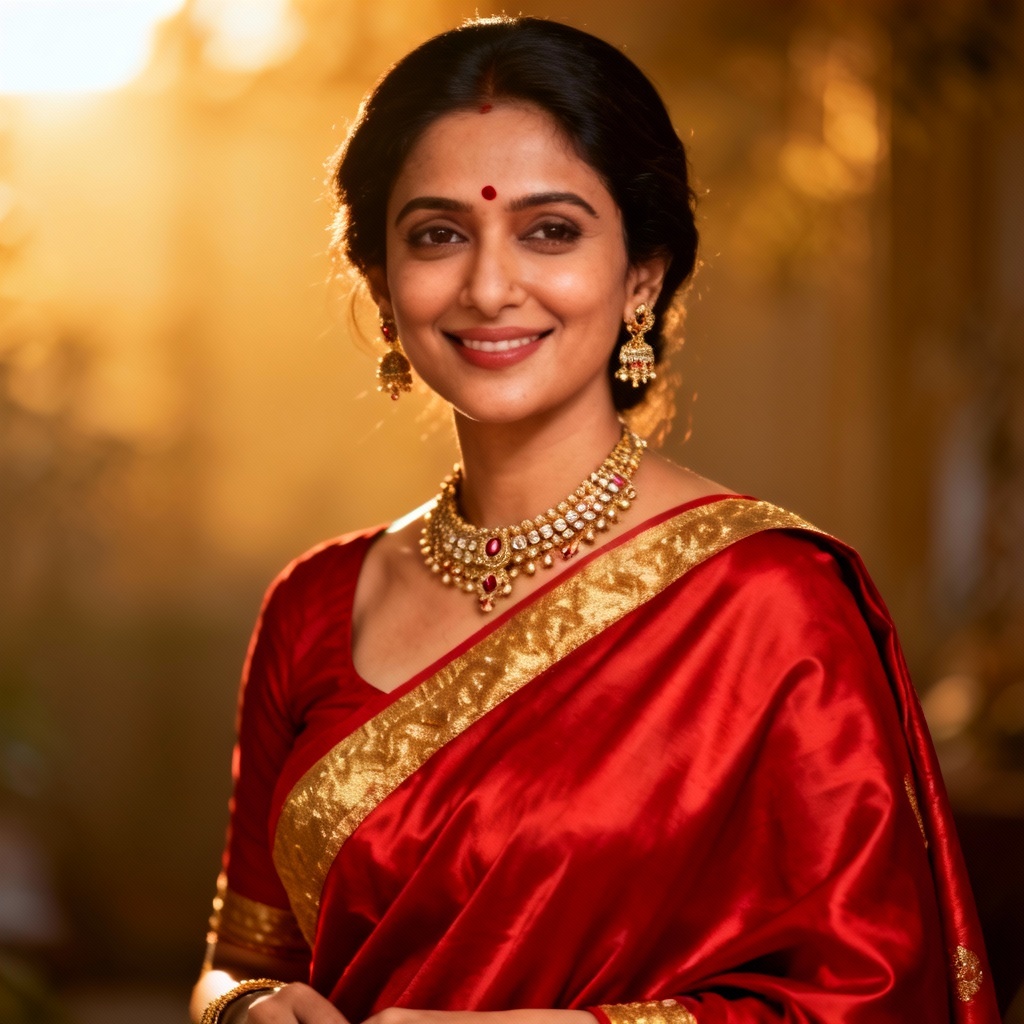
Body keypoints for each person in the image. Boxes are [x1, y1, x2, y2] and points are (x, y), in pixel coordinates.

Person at [190, 16, 999, 1024]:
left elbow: (875, 998)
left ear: (643, 277)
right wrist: (243, 1008)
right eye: (438, 234)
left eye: (551, 230)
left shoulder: (771, 607)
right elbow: (240, 957)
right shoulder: (314, 605)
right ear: (381, 288)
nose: (489, 286)